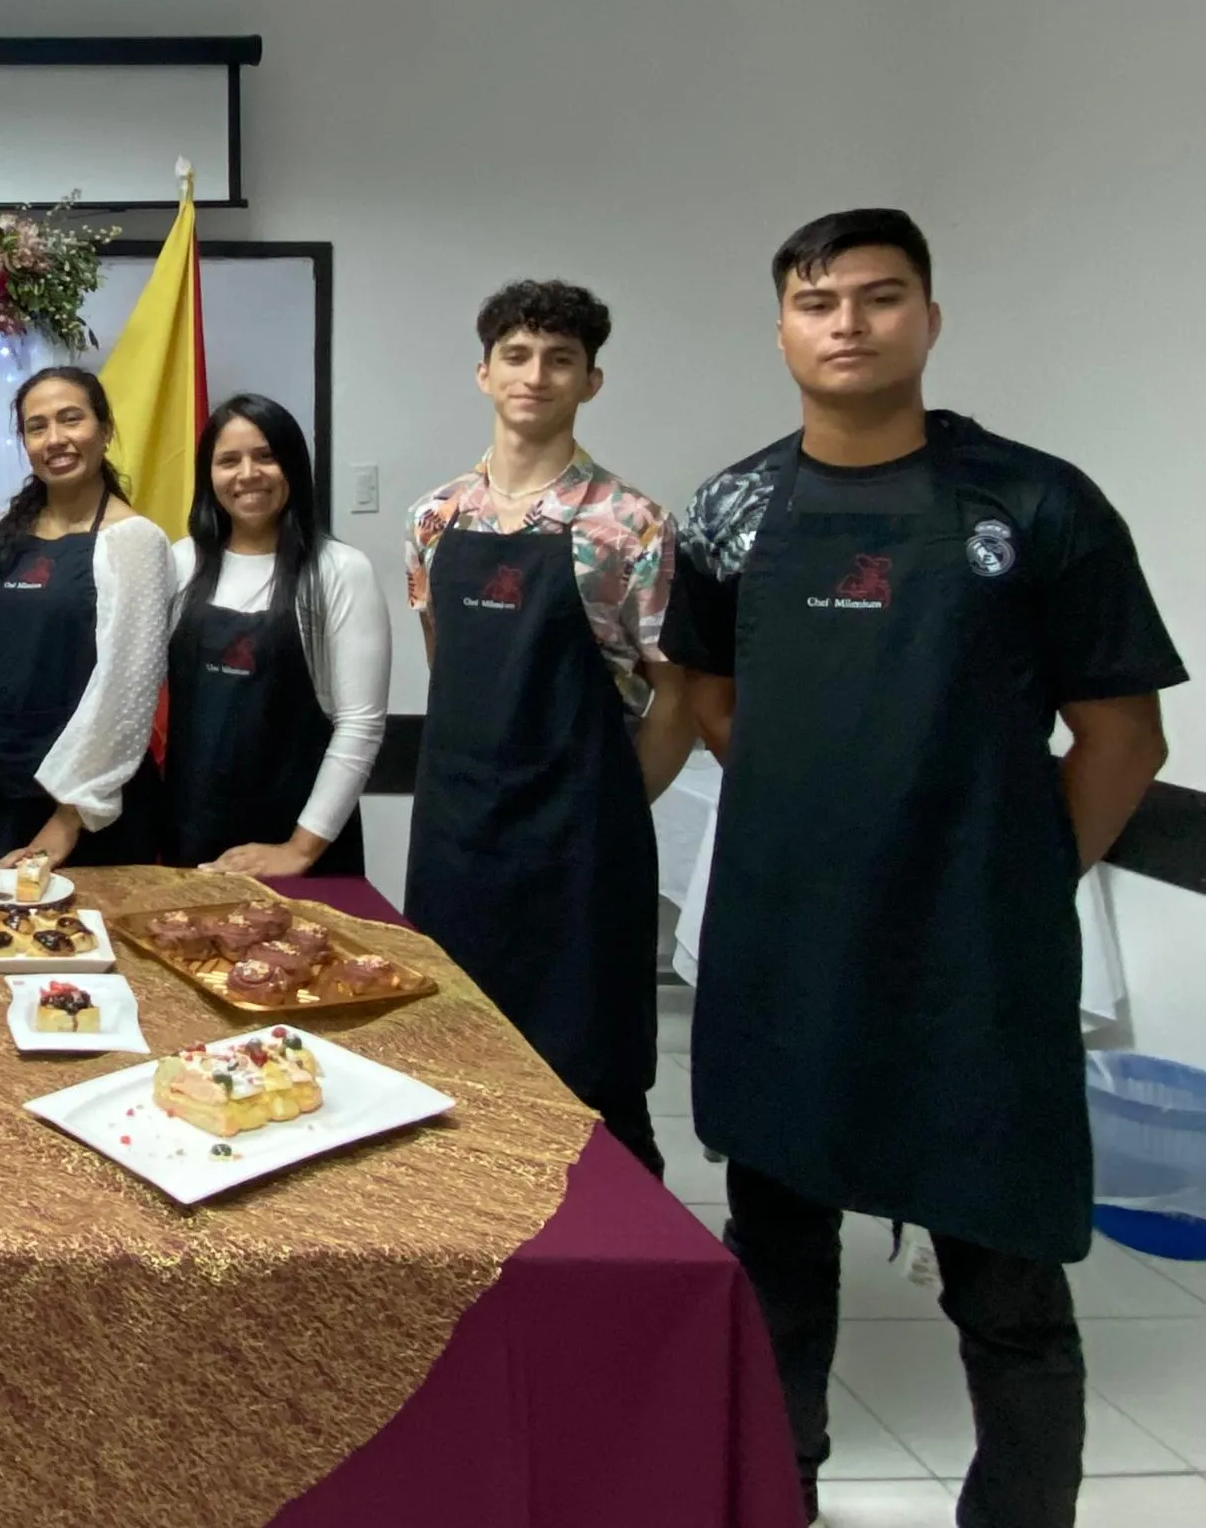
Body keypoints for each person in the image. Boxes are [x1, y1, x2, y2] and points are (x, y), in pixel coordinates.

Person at [666, 209, 1184, 1528]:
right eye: (818, 299)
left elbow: (1124, 732)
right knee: (778, 1259)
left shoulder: (1035, 503)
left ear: (931, 321)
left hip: (974, 976)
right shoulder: (732, 512)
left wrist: (1010, 877)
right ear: (780, 326)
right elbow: (717, 696)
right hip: (785, 959)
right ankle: (774, 1496)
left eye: (881, 297)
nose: (848, 322)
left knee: (1007, 1288)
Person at [403, 279, 690, 1177]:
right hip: (458, 834)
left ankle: (626, 1281)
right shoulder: (434, 520)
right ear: (484, 373)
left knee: (594, 1080)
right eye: (518, 357)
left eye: (560, 360)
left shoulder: (631, 525)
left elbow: (674, 695)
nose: (537, 375)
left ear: (590, 382)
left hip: (581, 845)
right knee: (459, 1065)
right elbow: (443, 657)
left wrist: (602, 805)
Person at [165, 395, 390, 877]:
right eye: (229, 460)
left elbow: (360, 725)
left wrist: (298, 850)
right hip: (191, 834)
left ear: (294, 465)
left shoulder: (339, 572)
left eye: (266, 456)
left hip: (303, 846)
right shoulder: (179, 564)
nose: (248, 474)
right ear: (209, 476)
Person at [0, 366, 172, 868]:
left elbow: (127, 690)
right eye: (37, 427)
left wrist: (68, 817)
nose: (55, 439)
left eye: (70, 419)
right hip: (2, 795)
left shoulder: (135, 540)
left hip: (88, 812)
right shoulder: (6, 530)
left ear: (105, 430)